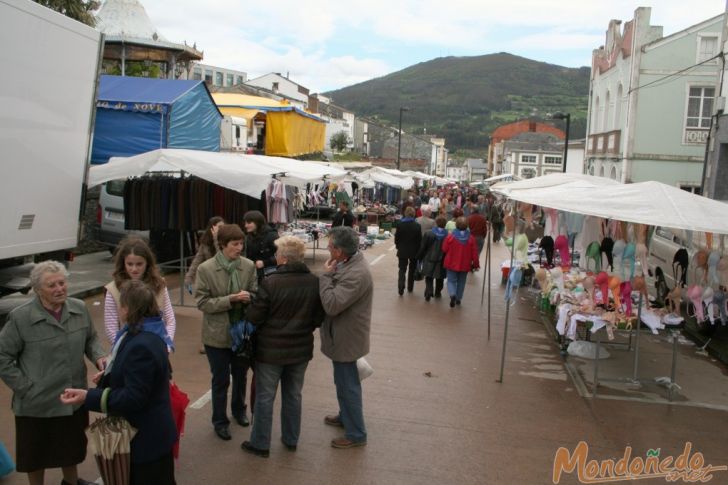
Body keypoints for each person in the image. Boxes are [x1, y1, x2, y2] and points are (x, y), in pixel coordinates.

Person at [60, 280, 177, 485]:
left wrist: (89, 396)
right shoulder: (147, 332)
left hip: (146, 439)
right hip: (152, 436)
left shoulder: (141, 344)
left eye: (121, 304)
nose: (119, 308)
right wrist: (110, 377)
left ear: (128, 309)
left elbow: (134, 397)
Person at [0, 261, 105, 485]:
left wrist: (99, 356)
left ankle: (71, 482)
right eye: (51, 285)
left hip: (72, 397)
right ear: (38, 290)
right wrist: (25, 387)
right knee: (35, 455)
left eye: (62, 282)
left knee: (71, 449)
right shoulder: (21, 318)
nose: (59, 289)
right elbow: (3, 357)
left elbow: (91, 338)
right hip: (36, 404)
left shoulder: (79, 308)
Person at [241, 237, 325, 457]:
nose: (275, 256)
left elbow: (255, 316)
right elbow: (318, 318)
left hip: (270, 350)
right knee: (293, 394)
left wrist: (250, 303)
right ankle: (290, 438)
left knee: (265, 397)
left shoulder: (270, 282)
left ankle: (260, 443)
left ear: (285, 259)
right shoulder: (314, 282)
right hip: (301, 349)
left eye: (277, 253)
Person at [195, 224, 258, 440]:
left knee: (240, 375)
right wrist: (230, 300)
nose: (239, 248)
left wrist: (250, 297)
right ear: (222, 245)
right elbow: (202, 303)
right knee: (220, 379)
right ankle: (220, 421)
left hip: (242, 333)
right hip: (216, 335)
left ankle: (239, 410)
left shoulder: (249, 266)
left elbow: (257, 293)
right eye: (235, 244)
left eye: (242, 243)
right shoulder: (206, 269)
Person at [320, 227, 373, 449]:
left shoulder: (356, 273)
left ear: (340, 251)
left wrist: (325, 277)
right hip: (342, 334)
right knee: (343, 382)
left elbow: (332, 304)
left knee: (348, 384)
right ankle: (346, 417)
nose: (327, 248)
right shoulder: (348, 263)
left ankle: (356, 433)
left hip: (346, 336)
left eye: (330, 246)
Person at [104, 236, 176, 347]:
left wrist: (166, 346)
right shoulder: (113, 289)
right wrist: (123, 349)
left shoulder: (159, 285)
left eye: (139, 264)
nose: (134, 269)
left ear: (147, 263)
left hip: (157, 348)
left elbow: (170, 319)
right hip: (127, 350)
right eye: (130, 264)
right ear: (123, 263)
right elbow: (111, 328)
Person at [185, 216, 225, 354]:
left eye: (222, 226)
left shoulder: (226, 242)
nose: (221, 229)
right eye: (218, 226)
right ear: (212, 227)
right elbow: (197, 260)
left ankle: (222, 341)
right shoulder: (205, 243)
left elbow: (222, 259)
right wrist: (188, 278)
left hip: (224, 280)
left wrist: (216, 239)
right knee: (207, 313)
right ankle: (206, 342)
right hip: (210, 281)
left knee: (221, 313)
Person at [442, 217, 480, 308]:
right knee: (461, 282)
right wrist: (475, 264)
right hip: (465, 264)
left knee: (451, 281)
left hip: (451, 263)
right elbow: (475, 253)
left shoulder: (450, 237)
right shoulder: (471, 238)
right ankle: (458, 298)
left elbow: (444, 249)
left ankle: (452, 294)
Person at [417, 216, 448, 302]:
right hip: (442, 259)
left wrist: (419, 256)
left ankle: (428, 292)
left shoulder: (428, 233)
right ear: (445, 224)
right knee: (440, 277)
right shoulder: (448, 235)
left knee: (429, 276)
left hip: (429, 257)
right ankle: (438, 292)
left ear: (436, 223)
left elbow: (423, 247)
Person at [243, 210, 279, 283]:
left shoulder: (271, 236)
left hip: (269, 275)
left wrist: (265, 262)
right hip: (254, 274)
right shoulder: (249, 237)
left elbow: (281, 256)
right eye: (245, 223)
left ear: (257, 222)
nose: (246, 225)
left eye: (249, 223)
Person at [394, 207, 422, 295]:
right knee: (412, 269)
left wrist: (398, 246)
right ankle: (410, 287)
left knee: (402, 269)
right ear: (414, 214)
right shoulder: (417, 226)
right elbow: (419, 240)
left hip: (402, 250)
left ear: (405, 213)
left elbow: (396, 238)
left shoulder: (400, 224)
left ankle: (401, 287)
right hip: (414, 251)